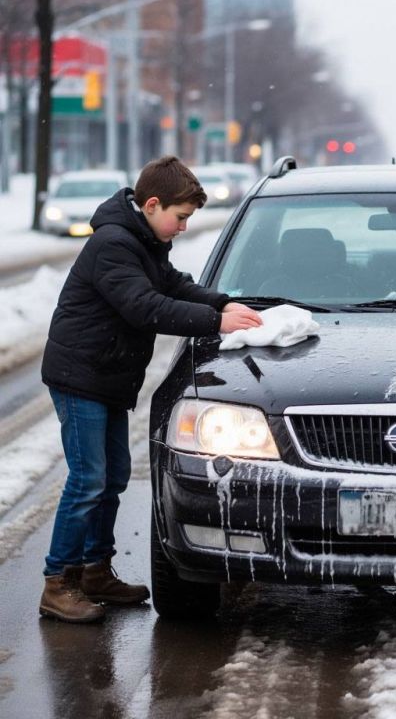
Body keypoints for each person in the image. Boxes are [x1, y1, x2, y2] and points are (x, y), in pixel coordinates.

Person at [39, 155, 263, 623]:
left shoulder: (143, 239)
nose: (183, 227)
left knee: (114, 477)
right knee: (88, 481)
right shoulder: (114, 244)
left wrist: (223, 302)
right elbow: (145, 307)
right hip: (81, 376)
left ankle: (96, 570)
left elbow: (173, 285)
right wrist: (215, 321)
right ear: (154, 204)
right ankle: (58, 583)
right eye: (180, 217)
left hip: (107, 377)